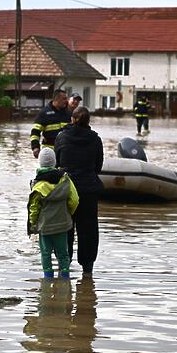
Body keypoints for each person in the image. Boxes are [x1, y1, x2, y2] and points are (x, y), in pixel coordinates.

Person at [55, 107, 105, 277]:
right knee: (88, 230)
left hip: (66, 189)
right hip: (88, 191)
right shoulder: (96, 139)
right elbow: (98, 166)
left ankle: (64, 267)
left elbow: (57, 163)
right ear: (88, 121)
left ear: (72, 119)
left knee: (65, 228)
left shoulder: (61, 137)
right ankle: (87, 271)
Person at [28, 147, 79, 280]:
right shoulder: (66, 180)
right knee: (63, 254)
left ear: (40, 163)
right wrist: (68, 214)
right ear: (55, 162)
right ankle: (65, 279)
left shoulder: (38, 185)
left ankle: (47, 280)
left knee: (45, 253)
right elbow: (74, 200)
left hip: (45, 227)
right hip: (62, 225)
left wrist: (33, 223)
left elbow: (34, 208)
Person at [30, 89, 71, 158]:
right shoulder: (44, 113)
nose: (66, 101)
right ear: (57, 99)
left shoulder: (68, 114)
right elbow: (35, 132)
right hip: (48, 152)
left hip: (65, 152)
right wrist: (35, 147)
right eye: (64, 99)